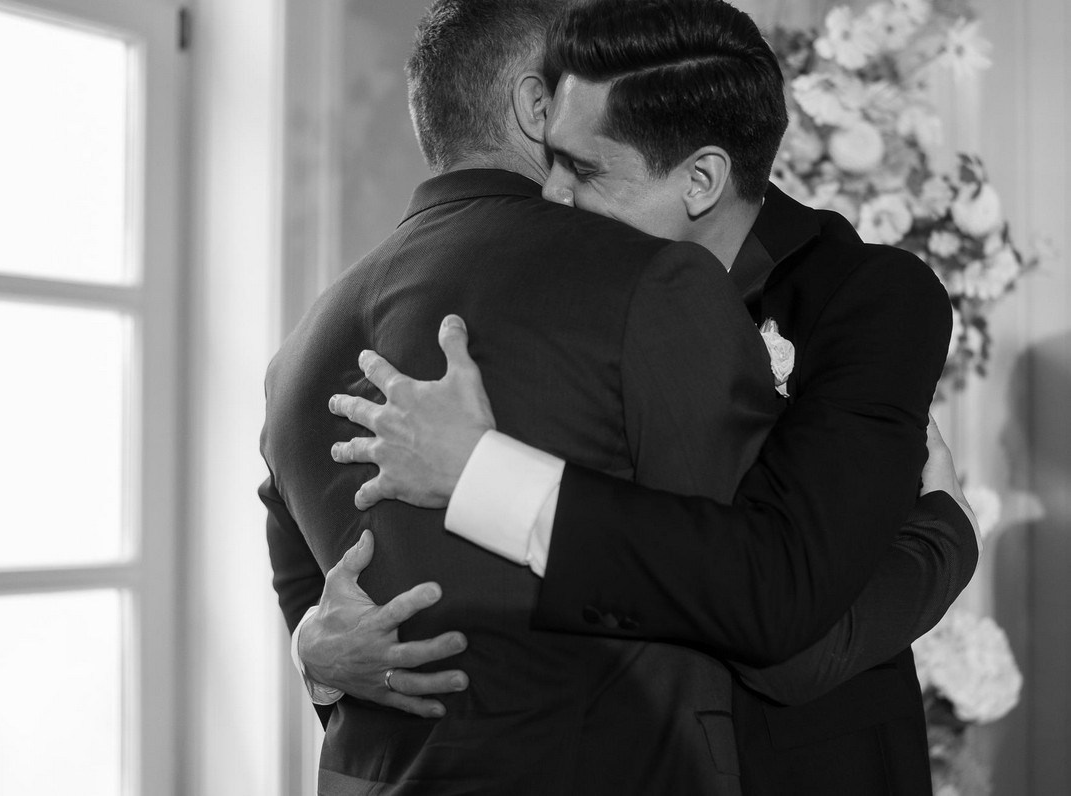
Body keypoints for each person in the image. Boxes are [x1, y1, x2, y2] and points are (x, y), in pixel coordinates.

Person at [308, 1, 981, 793]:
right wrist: (319, 653)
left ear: (701, 179)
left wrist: (948, 539)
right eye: (551, 155)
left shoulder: (868, 300)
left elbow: (785, 613)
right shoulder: (544, 291)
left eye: (585, 170)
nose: (549, 194)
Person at [260, 0, 789, 791]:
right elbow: (760, 585)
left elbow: (311, 599)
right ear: (539, 105)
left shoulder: (299, 348)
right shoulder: (654, 281)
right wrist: (941, 537)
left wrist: (316, 660)